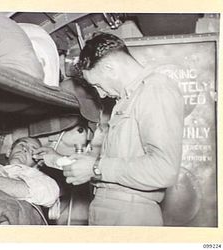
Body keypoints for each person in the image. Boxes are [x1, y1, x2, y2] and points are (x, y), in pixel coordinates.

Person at [62, 33, 184, 226]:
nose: (101, 94)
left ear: (110, 68)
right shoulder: (126, 98)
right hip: (114, 211)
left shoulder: (155, 89)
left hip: (130, 215)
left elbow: (164, 169)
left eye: (97, 85)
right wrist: (90, 167)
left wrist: (96, 167)